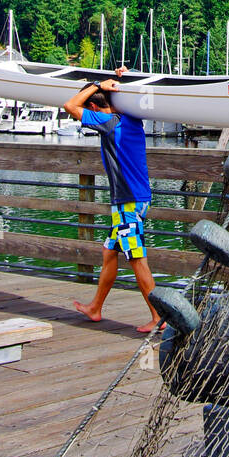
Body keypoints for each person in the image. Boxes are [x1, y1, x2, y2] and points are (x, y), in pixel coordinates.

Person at [63, 68, 162, 333]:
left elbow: (69, 105)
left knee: (136, 258)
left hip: (128, 201)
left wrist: (95, 84)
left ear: (94, 107)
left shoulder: (109, 124)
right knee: (110, 252)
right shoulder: (131, 120)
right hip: (134, 199)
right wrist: (119, 78)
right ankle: (95, 308)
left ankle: (157, 317)